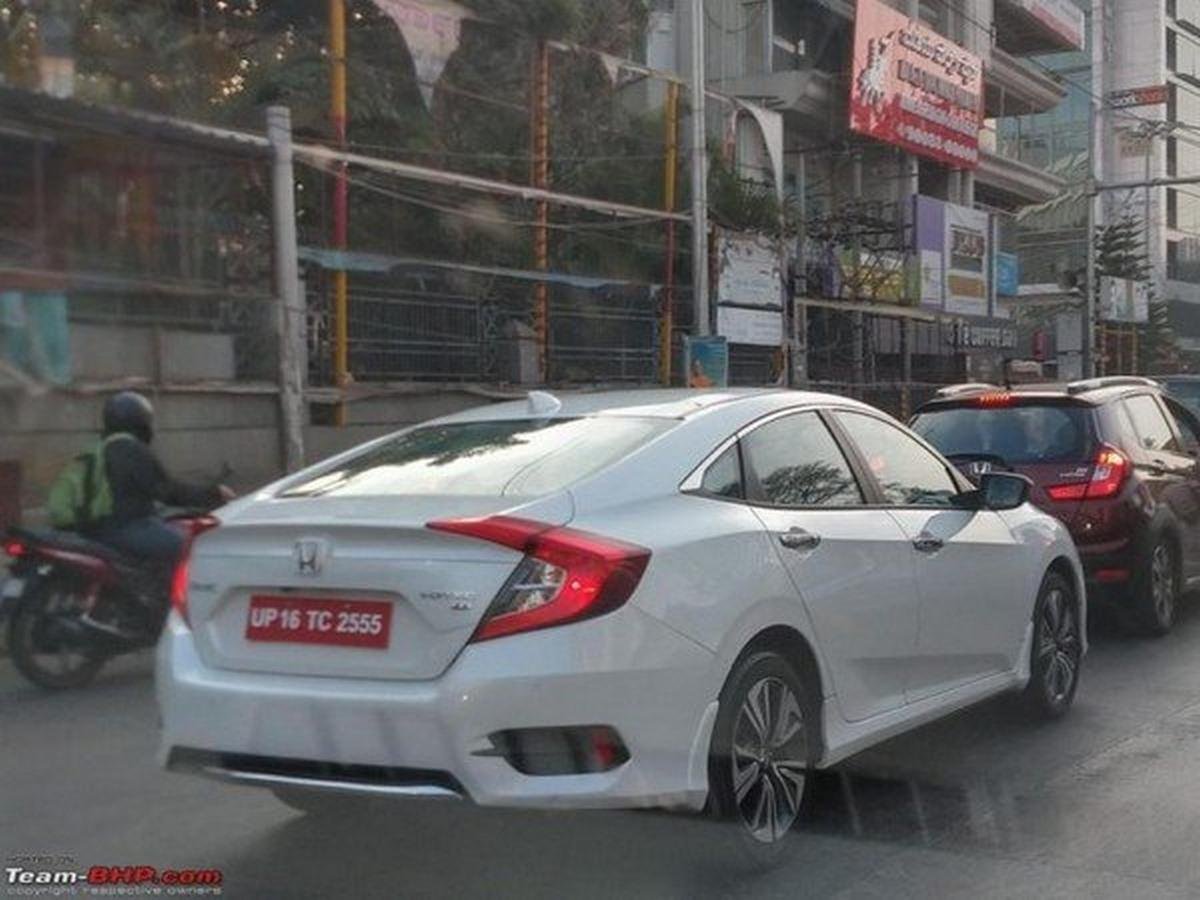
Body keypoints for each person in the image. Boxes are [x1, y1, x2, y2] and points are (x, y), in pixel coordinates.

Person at [91, 392, 233, 574]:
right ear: (141, 422)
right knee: (193, 546)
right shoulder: (132, 450)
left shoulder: (98, 449)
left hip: (96, 529)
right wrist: (213, 493)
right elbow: (167, 491)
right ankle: (178, 600)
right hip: (126, 528)